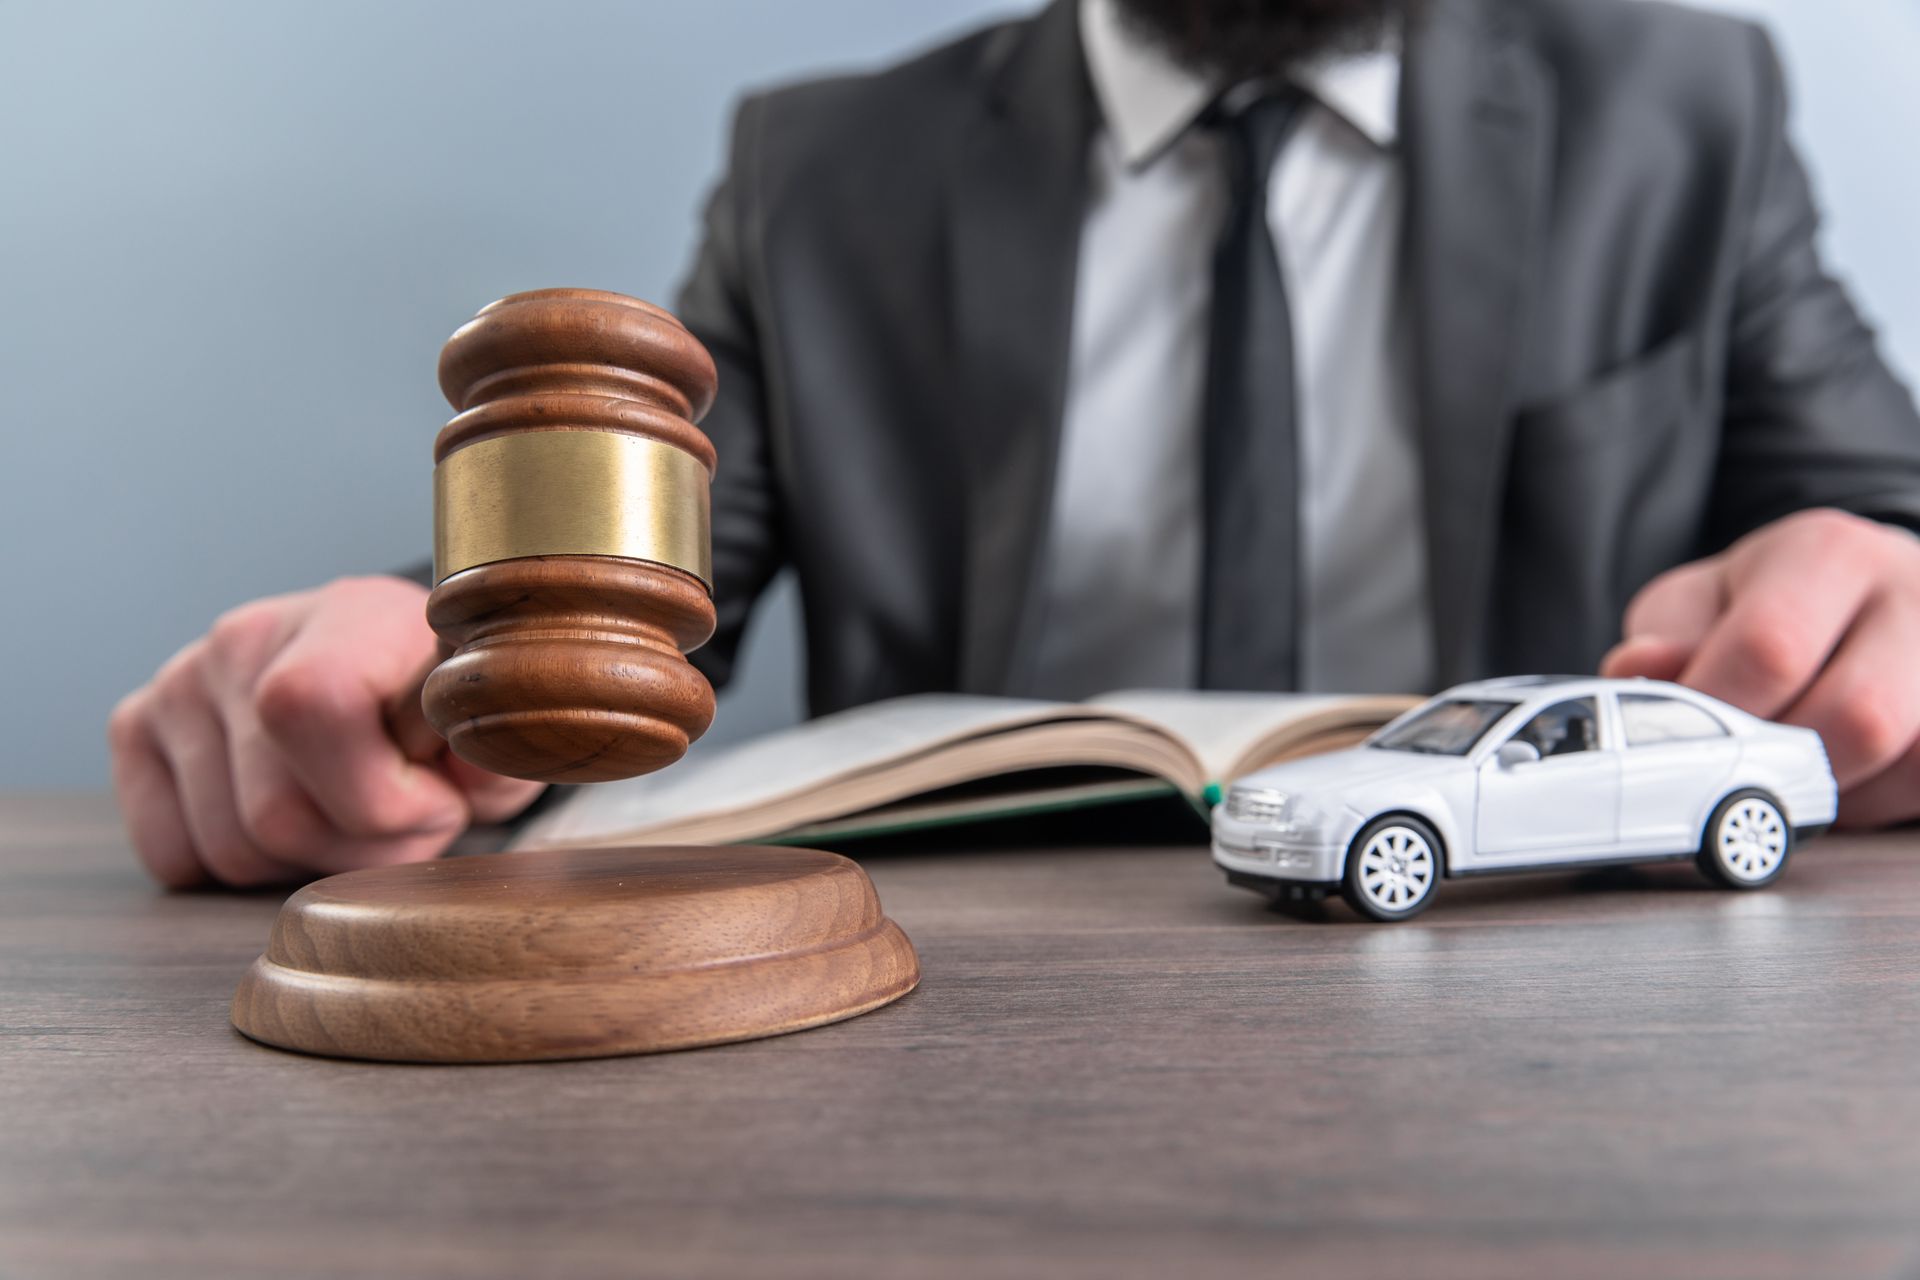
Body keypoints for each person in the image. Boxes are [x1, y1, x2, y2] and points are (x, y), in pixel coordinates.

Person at [109, 0, 1920, 888]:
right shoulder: (821, 178)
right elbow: (630, 589)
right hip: (948, 1010)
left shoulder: (1687, 111)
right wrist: (407, 671)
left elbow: (1877, 511)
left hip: (1528, 966)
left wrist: (1881, 598)